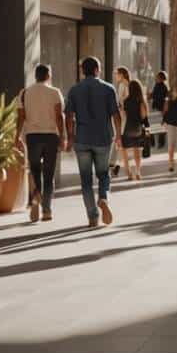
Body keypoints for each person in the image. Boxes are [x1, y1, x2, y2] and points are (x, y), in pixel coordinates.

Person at [64, 57, 121, 228]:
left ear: (83, 71)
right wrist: (118, 135)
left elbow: (68, 116)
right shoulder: (108, 88)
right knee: (103, 174)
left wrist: (70, 136)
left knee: (86, 180)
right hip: (102, 138)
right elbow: (116, 115)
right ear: (97, 69)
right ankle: (103, 197)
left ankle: (92, 216)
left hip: (82, 138)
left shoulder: (74, 90)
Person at [16, 64, 65, 222]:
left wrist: (16, 137)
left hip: (32, 137)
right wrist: (62, 136)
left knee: (35, 170)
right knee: (49, 174)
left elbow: (21, 117)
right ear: (48, 75)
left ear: (35, 76)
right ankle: (47, 210)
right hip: (51, 136)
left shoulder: (24, 93)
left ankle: (36, 197)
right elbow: (59, 117)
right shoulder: (54, 92)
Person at [119, 78, 149, 181]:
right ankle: (138, 172)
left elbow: (123, 116)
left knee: (124, 151)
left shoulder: (125, 101)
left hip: (126, 128)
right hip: (138, 129)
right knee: (137, 151)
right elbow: (144, 116)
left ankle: (129, 173)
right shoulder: (141, 101)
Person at [113, 67, 133, 179]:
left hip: (123, 116)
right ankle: (117, 165)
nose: (116, 76)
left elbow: (120, 100)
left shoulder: (122, 85)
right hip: (128, 116)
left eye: (116, 74)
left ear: (121, 74)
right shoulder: (130, 84)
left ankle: (119, 166)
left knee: (121, 141)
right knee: (122, 143)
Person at [149, 71, 169, 149]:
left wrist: (164, 110)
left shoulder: (164, 87)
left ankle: (161, 142)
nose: (156, 78)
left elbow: (165, 99)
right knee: (153, 124)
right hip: (156, 108)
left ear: (161, 78)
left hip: (161, 109)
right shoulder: (156, 85)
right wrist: (150, 95)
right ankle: (152, 142)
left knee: (161, 126)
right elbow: (154, 94)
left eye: (157, 77)